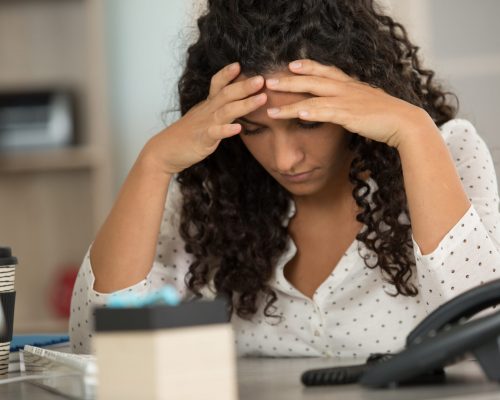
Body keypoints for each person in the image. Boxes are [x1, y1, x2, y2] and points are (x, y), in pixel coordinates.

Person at [70, 0, 500, 359]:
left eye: (307, 122)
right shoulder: (209, 195)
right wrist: (154, 162)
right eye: (254, 130)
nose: (285, 158)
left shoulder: (443, 151)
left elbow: (488, 333)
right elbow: (100, 348)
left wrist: (413, 130)